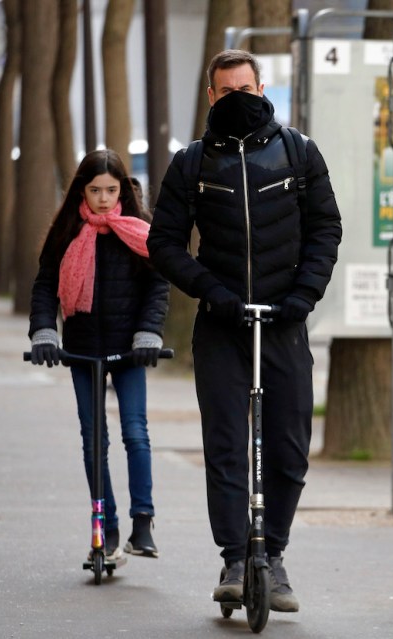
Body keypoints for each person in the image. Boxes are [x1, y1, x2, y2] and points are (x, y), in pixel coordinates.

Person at [146, 49, 341, 613]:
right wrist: (213, 292)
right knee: (227, 445)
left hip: (285, 321)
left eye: (246, 89)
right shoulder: (192, 164)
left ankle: (273, 556)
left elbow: (326, 227)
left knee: (288, 447)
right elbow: (163, 243)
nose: (238, 99)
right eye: (227, 91)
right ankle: (235, 556)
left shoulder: (297, 153)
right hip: (223, 324)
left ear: (262, 88)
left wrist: (303, 296)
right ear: (211, 97)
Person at [28, 149, 170, 561]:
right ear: (82, 191)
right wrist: (43, 331)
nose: (104, 199)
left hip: (129, 349)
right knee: (94, 440)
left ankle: (142, 523)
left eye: (111, 189)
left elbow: (158, 285)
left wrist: (149, 332)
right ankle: (105, 529)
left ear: (122, 188)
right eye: (95, 190)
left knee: (135, 431)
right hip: (83, 347)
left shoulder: (140, 230)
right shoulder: (68, 231)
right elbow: (44, 285)